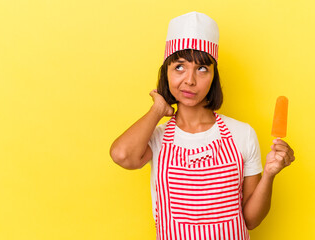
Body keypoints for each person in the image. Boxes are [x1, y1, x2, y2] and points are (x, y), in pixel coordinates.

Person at [110, 12, 295, 240]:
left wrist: (269, 174)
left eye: (201, 69)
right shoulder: (157, 138)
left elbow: (251, 220)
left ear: (213, 76)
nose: (189, 80)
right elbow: (121, 155)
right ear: (166, 73)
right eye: (179, 67)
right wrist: (158, 109)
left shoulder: (242, 134)